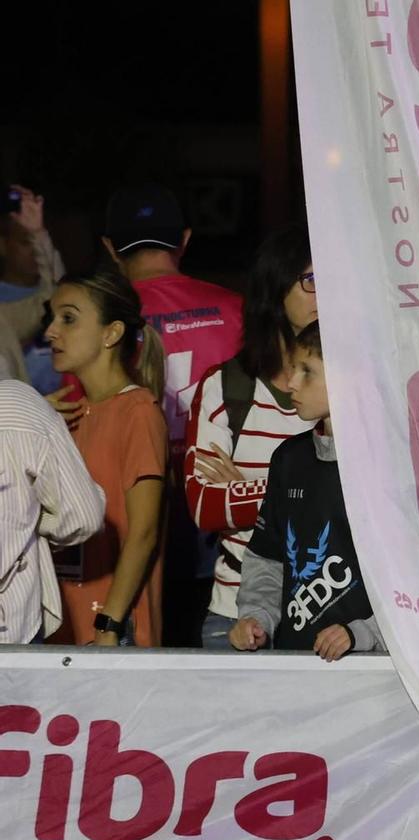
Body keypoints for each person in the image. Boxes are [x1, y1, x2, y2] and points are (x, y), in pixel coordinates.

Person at [100, 185, 245, 647]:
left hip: (132, 521)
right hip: (222, 511)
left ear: (109, 249)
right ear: (183, 240)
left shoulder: (99, 323)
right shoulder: (236, 309)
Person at [185, 226, 312, 649]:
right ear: (275, 287)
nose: (326, 296)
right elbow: (204, 506)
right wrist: (298, 492)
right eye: (310, 281)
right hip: (234, 615)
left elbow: (359, 501)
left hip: (329, 617)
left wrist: (245, 490)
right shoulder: (227, 386)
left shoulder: (357, 388)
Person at [228, 322, 380, 662]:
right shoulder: (288, 458)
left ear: (350, 377)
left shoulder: (393, 463)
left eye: (307, 371)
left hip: (374, 675)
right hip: (296, 670)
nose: (291, 383)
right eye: (293, 369)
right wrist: (256, 618)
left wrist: (364, 633)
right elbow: (267, 558)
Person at [46, 268, 167, 647]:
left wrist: (109, 624)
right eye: (52, 317)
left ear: (111, 333)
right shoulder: (63, 414)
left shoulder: (138, 410)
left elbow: (143, 532)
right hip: (62, 626)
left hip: (112, 631)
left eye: (68, 318)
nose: (51, 331)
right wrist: (32, 426)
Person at [0, 381, 102, 643]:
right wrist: (31, 518)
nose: (50, 336)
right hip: (12, 629)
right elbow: (83, 515)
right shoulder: (17, 404)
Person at [0, 186, 62, 390]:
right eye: (26, 242)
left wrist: (38, 234)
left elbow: (56, 298)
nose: (32, 252)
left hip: (33, 418)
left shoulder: (5, 318)